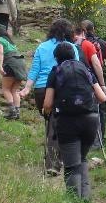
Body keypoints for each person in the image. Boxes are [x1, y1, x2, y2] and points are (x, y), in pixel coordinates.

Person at [42, 41, 106, 200]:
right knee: (82, 159)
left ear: (56, 58)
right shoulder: (85, 69)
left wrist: (46, 112)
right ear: (74, 54)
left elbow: (48, 104)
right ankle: (85, 200)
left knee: (71, 166)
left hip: (67, 122)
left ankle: (73, 202)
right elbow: (102, 97)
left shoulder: (55, 71)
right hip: (90, 120)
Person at [19, 18, 78, 175]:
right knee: (57, 124)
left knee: (53, 122)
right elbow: (76, 68)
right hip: (62, 89)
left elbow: (34, 70)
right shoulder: (71, 47)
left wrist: (27, 88)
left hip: (40, 91)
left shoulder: (42, 47)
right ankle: (53, 163)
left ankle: (55, 159)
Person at [81, 20, 106, 145]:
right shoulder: (102, 43)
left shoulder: (79, 44)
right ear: (93, 29)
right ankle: (101, 138)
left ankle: (85, 138)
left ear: (83, 31)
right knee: (100, 110)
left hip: (82, 79)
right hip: (99, 78)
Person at [0, 24, 27, 120]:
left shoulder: (0, 40)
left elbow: (1, 53)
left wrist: (0, 66)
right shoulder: (11, 42)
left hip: (10, 63)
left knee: (5, 89)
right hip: (21, 64)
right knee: (14, 90)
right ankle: (17, 112)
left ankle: (12, 112)